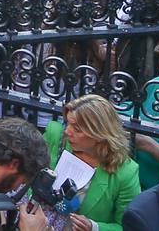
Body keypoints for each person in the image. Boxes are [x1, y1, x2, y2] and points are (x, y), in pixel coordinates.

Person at [43, 94, 141, 231]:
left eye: (76, 129)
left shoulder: (126, 172)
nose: (67, 131)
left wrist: (94, 227)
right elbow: (27, 178)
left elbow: (128, 227)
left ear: (100, 134)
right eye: (68, 123)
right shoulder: (55, 136)